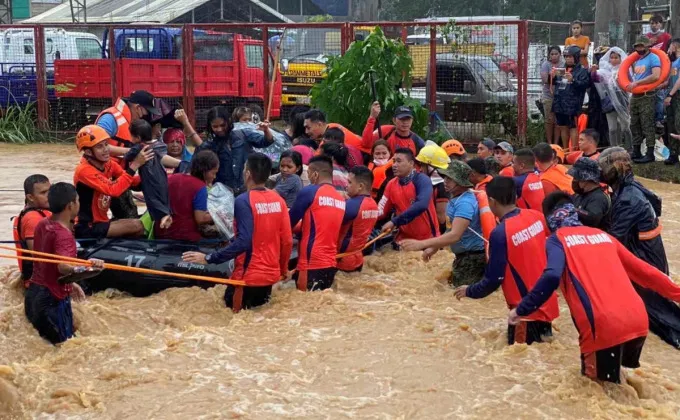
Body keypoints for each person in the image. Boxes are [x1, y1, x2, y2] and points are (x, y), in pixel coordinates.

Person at [509, 192, 680, 383]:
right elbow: (647, 274)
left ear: (549, 220)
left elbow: (551, 276)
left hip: (603, 326)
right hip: (638, 322)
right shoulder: (603, 236)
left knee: (596, 392)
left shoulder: (556, 241)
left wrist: (522, 309)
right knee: (616, 388)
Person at [454, 177, 558, 345]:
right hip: (546, 302)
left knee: (520, 364)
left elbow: (494, 279)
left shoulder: (501, 233)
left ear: (492, 201)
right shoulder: (536, 216)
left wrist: (469, 291)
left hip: (524, 312)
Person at [183, 154, 292, 312]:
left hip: (247, 277)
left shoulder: (243, 200)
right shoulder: (279, 200)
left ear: (247, 173)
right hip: (270, 277)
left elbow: (244, 241)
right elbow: (287, 240)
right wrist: (283, 270)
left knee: (230, 319)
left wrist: (209, 258)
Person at [599, 147, 680, 348]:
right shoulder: (630, 187)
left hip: (646, 257)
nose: (601, 172)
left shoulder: (628, 198)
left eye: (604, 168)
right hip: (649, 251)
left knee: (658, 314)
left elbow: (614, 238)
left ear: (615, 169)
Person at [24, 183, 104, 344]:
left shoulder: (43, 223)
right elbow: (63, 266)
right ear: (70, 206)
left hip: (33, 294)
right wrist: (89, 266)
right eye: (78, 201)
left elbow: (47, 263)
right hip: (51, 300)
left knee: (48, 349)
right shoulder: (64, 235)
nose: (79, 204)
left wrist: (72, 284)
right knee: (65, 348)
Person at [400, 160, 487, 287]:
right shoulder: (456, 198)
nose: (445, 181)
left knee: (461, 296)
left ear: (461, 183)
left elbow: (455, 235)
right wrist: (434, 248)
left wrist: (421, 244)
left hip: (473, 259)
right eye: (445, 177)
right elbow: (450, 228)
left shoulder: (465, 203)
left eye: (450, 178)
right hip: (465, 257)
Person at [96, 90, 176, 220]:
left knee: (130, 213)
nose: (145, 116)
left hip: (121, 174)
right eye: (145, 112)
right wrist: (134, 152)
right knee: (122, 216)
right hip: (104, 177)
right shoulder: (110, 118)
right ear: (138, 108)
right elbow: (96, 144)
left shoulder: (130, 123)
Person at [73, 125, 151, 239]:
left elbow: (131, 182)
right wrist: (135, 165)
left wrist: (162, 179)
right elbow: (113, 190)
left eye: (106, 144)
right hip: (88, 227)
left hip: (101, 222)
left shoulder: (108, 164)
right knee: (137, 225)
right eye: (100, 147)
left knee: (135, 223)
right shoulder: (84, 171)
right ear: (89, 152)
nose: (106, 149)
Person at [289, 156, 345, 291]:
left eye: (308, 175)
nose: (308, 179)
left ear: (315, 174)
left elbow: (289, 222)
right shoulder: (340, 199)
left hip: (310, 263)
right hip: (330, 263)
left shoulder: (310, 192)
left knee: (304, 307)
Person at [377, 148, 439, 242]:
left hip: (428, 240)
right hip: (404, 240)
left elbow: (421, 205)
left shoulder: (422, 180)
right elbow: (381, 211)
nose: (394, 165)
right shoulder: (391, 184)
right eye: (393, 161)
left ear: (411, 163)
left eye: (399, 161)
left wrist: (394, 221)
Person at [156, 150, 218, 241]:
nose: (214, 177)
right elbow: (200, 218)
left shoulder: (171, 178)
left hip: (161, 232)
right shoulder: (200, 187)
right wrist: (219, 214)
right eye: (213, 173)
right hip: (185, 237)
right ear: (205, 171)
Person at [125, 119, 172, 232]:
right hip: (160, 175)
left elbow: (127, 156)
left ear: (138, 138)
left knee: (151, 199)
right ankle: (166, 213)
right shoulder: (157, 145)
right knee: (162, 196)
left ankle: (162, 219)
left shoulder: (138, 147)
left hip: (149, 177)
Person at [337, 166, 379, 272]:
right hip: (358, 257)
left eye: (350, 182)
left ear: (360, 186)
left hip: (341, 260)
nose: (346, 185)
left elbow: (327, 223)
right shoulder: (373, 204)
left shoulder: (352, 205)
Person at [628, 37, 662, 164]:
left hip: (647, 95)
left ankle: (649, 152)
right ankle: (636, 150)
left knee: (647, 124)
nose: (639, 49)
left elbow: (656, 75)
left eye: (641, 46)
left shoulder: (653, 58)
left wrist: (638, 83)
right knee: (634, 123)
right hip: (636, 96)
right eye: (637, 47)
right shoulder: (638, 60)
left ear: (647, 46)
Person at [13, 175, 51, 285]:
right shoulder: (33, 219)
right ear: (30, 197)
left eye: (50, 191)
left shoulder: (41, 211)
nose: (49, 196)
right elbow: (40, 258)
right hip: (39, 284)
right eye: (43, 193)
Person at [592, 47, 632, 149]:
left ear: (621, 58)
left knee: (625, 127)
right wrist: (593, 72)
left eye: (616, 58)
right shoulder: (604, 71)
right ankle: (614, 149)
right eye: (612, 58)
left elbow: (630, 85)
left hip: (622, 101)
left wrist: (629, 102)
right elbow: (597, 80)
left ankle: (629, 148)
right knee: (612, 128)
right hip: (609, 103)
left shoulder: (625, 71)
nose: (613, 60)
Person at [552, 46, 590, 149]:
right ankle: (565, 150)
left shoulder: (582, 71)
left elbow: (585, 85)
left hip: (573, 104)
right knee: (563, 127)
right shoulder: (562, 69)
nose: (568, 59)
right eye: (566, 57)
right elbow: (554, 83)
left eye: (570, 56)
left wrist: (573, 80)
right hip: (559, 103)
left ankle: (573, 151)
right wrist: (552, 76)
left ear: (576, 57)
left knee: (573, 127)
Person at [193, 106, 235, 190]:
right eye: (215, 126)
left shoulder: (238, 137)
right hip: (218, 189)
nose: (219, 129)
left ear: (228, 122)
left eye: (222, 125)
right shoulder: (208, 144)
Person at [361, 103, 426, 156]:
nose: (405, 122)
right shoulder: (384, 131)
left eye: (408, 119)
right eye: (402, 119)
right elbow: (366, 144)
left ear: (412, 120)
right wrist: (372, 117)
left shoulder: (417, 142)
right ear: (394, 120)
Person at [415, 141, 451, 234]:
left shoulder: (441, 186)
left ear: (431, 167)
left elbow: (441, 217)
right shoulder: (432, 183)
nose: (421, 169)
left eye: (422, 165)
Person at [569, 157, 610, 230]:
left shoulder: (598, 198)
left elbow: (592, 219)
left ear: (585, 179)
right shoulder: (579, 194)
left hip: (594, 237)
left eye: (576, 177)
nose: (574, 181)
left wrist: (573, 210)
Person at [647, 14, 672, 128]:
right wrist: (649, 43)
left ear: (661, 24)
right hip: (648, 69)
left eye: (657, 23)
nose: (654, 25)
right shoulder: (645, 36)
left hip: (662, 68)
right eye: (652, 23)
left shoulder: (667, 37)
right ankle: (648, 118)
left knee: (660, 95)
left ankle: (659, 119)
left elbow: (670, 54)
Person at [541, 46, 564, 144]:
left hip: (561, 96)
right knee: (549, 120)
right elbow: (545, 80)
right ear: (549, 55)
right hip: (548, 96)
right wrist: (552, 76)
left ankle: (556, 143)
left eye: (556, 54)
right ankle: (549, 143)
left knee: (558, 121)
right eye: (552, 54)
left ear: (560, 54)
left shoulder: (564, 64)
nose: (554, 56)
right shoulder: (546, 64)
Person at [665, 39, 680, 165]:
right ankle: (673, 154)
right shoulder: (673, 62)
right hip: (671, 95)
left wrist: (671, 94)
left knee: (678, 123)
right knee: (671, 124)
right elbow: (668, 81)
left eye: (670, 46)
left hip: (677, 94)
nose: (669, 49)